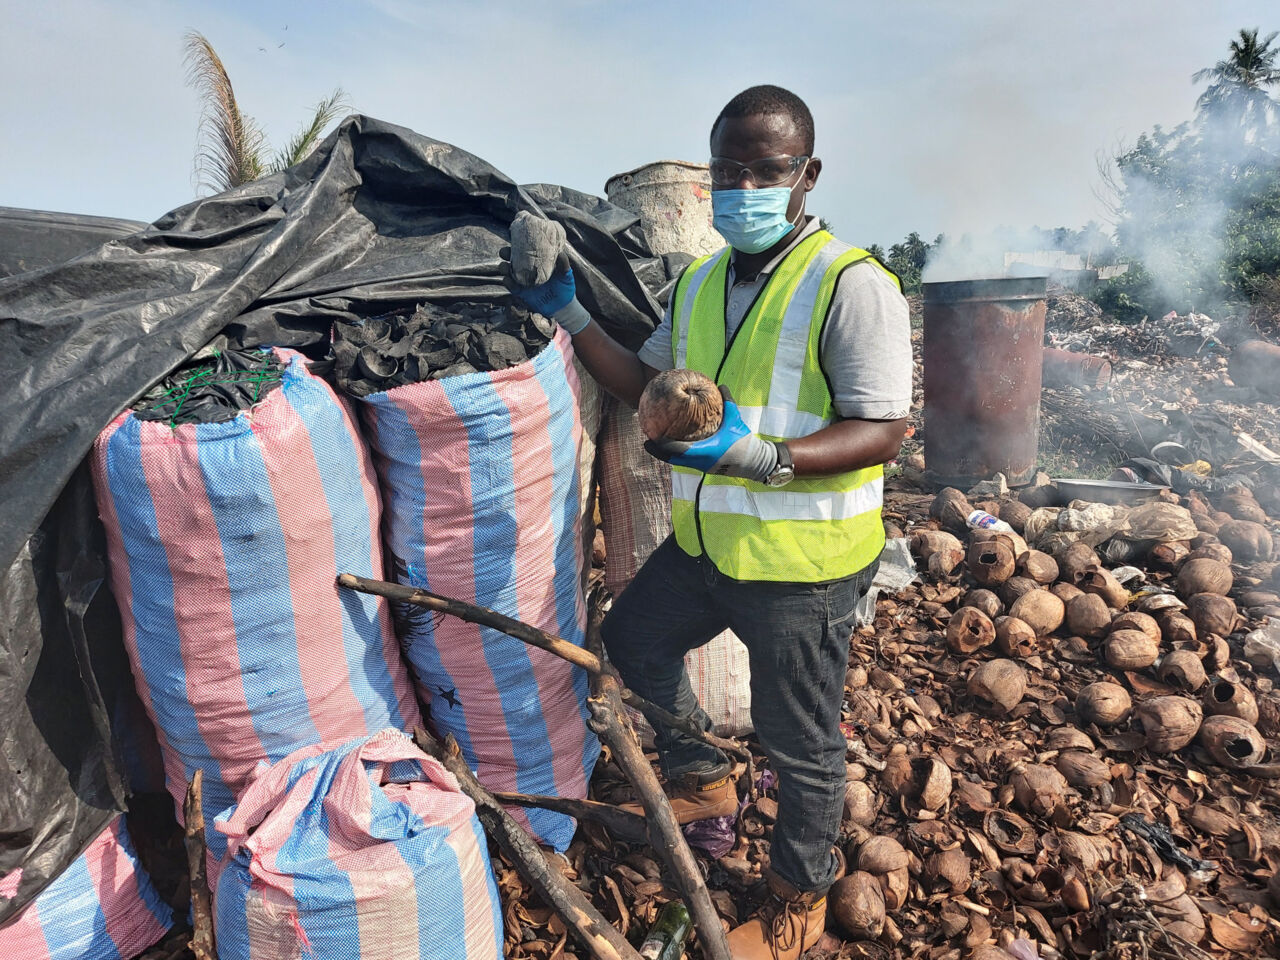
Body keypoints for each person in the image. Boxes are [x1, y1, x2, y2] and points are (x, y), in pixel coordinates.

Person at [512, 84, 912, 960]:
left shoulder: (853, 284)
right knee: (637, 641)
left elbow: (887, 427)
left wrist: (766, 456)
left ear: (806, 175)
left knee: (800, 742)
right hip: (709, 549)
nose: (743, 187)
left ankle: (798, 897)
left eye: (764, 171)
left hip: (804, 566)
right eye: (727, 170)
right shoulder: (699, 284)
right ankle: (702, 779)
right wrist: (570, 312)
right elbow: (642, 389)